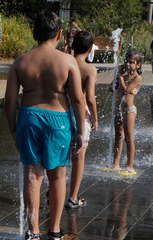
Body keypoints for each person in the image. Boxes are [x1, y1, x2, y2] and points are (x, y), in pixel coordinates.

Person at [4, 10, 85, 240]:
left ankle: (33, 232)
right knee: (58, 175)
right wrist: (80, 131)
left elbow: (9, 101)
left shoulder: (21, 62)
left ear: (33, 33)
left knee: (33, 175)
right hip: (58, 120)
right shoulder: (67, 61)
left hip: (29, 117)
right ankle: (55, 230)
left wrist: (13, 130)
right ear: (60, 34)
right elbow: (78, 100)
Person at [66, 31, 98, 209]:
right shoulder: (90, 69)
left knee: (62, 154)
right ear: (90, 49)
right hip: (80, 115)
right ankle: (73, 197)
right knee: (79, 156)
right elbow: (91, 98)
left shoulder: (64, 63)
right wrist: (95, 118)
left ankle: (55, 190)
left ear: (72, 46)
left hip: (62, 111)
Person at [105, 51, 142, 176]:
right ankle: (116, 163)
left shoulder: (137, 78)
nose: (128, 64)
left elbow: (126, 91)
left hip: (129, 111)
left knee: (128, 137)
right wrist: (116, 76)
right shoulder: (124, 77)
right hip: (119, 110)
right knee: (118, 136)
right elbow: (111, 88)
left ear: (138, 65)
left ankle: (130, 165)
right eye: (127, 62)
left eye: (132, 62)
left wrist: (120, 76)